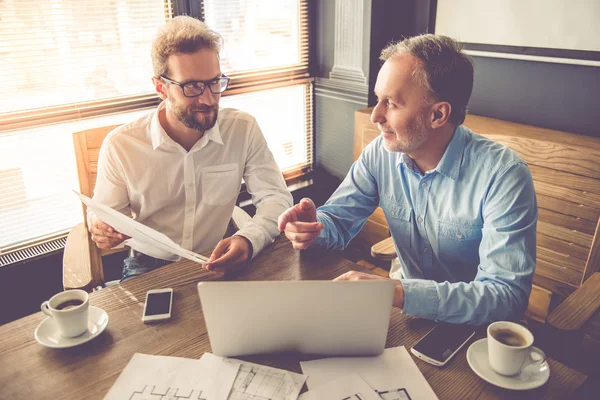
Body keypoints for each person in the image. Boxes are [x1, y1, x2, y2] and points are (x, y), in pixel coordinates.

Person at [278, 34, 537, 325]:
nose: (376, 115)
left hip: (475, 330)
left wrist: (399, 292)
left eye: (391, 103)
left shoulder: (503, 175)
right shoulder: (381, 152)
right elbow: (337, 221)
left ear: (438, 114)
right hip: (403, 310)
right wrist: (313, 228)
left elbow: (506, 297)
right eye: (378, 99)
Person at [89, 16, 292, 281]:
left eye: (214, 83)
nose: (208, 99)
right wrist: (101, 227)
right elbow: (104, 215)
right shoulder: (121, 145)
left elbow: (276, 198)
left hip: (217, 255)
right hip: (147, 265)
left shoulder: (243, 129)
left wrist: (248, 239)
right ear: (161, 88)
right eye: (192, 87)